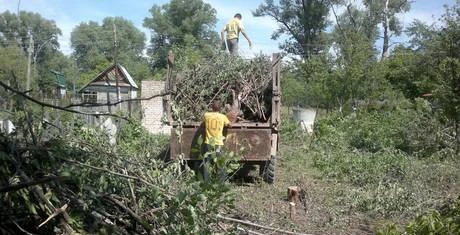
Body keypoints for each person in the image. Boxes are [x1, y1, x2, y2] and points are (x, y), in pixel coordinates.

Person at [202, 101, 232, 182]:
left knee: (207, 162)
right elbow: (229, 125)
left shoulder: (206, 115)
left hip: (208, 142)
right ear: (220, 108)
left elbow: (203, 121)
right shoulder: (223, 117)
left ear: (212, 108)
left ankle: (206, 182)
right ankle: (220, 182)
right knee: (220, 163)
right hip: (218, 143)